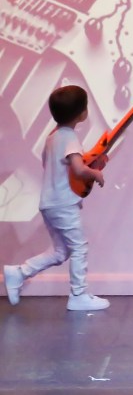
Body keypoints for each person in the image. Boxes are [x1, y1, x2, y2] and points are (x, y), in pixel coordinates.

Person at [3, 85, 110, 311]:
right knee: (79, 248)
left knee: (61, 252)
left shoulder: (52, 137)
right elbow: (78, 170)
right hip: (63, 204)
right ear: (82, 114)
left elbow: (58, 166)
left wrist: (93, 162)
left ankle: (19, 272)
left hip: (50, 203)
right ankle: (78, 294)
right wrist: (95, 173)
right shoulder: (70, 138)